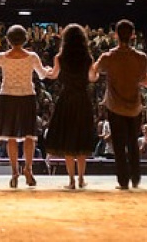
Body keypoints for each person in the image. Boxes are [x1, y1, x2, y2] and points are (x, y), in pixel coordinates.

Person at [0, 24, 52, 188]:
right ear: (25, 39)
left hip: (7, 96)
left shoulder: (2, 57)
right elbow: (42, 75)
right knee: (29, 135)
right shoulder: (32, 56)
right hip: (27, 96)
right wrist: (48, 70)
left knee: (10, 136)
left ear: (8, 40)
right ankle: (28, 169)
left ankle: (14, 172)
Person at [91, 19, 147, 190]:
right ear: (132, 35)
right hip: (134, 107)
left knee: (118, 145)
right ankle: (136, 178)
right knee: (133, 142)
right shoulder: (141, 57)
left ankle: (123, 181)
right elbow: (144, 80)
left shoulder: (108, 57)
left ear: (115, 35)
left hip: (115, 106)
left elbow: (94, 71)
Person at [44, 23, 97, 190]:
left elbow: (53, 75)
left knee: (68, 140)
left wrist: (45, 70)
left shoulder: (60, 57)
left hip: (66, 99)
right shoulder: (88, 58)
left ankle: (72, 181)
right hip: (82, 99)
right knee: (81, 140)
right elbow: (92, 78)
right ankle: (81, 178)